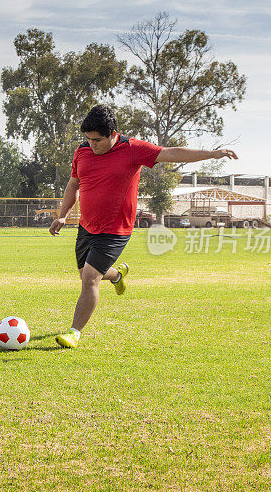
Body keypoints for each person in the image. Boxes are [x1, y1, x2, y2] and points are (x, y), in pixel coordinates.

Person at [49, 105, 238, 348]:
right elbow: (73, 184)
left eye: (97, 140)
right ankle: (117, 275)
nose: (91, 145)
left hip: (115, 230)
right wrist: (63, 215)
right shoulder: (82, 151)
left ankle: (74, 332)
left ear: (112, 133)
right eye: (87, 139)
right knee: (89, 273)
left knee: (89, 278)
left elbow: (171, 153)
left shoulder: (132, 149)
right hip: (87, 227)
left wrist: (212, 154)